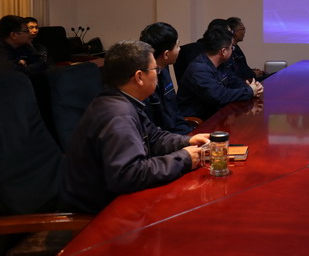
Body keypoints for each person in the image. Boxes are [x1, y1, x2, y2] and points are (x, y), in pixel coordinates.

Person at [61, 40, 211, 214]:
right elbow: (128, 174)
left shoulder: (123, 100)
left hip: (117, 199)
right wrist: (183, 158)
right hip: (100, 213)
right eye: (155, 69)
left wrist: (187, 141)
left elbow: (154, 137)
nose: (158, 74)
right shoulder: (118, 115)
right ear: (139, 77)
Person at [177, 27, 263, 120]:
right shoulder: (199, 70)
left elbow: (233, 81)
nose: (233, 50)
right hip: (199, 121)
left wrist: (251, 87)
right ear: (223, 51)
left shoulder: (221, 64)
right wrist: (249, 91)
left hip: (216, 114)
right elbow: (220, 96)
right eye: (231, 47)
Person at [139, 22, 193, 134]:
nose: (179, 49)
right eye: (177, 46)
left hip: (178, 133)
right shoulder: (143, 83)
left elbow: (175, 113)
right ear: (166, 54)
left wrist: (190, 134)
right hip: (164, 139)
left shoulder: (164, 69)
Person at [226, 16, 268, 81]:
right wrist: (254, 73)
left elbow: (244, 68)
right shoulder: (229, 50)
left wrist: (253, 71)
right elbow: (240, 75)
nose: (244, 32)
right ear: (234, 32)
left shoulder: (236, 48)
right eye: (243, 29)